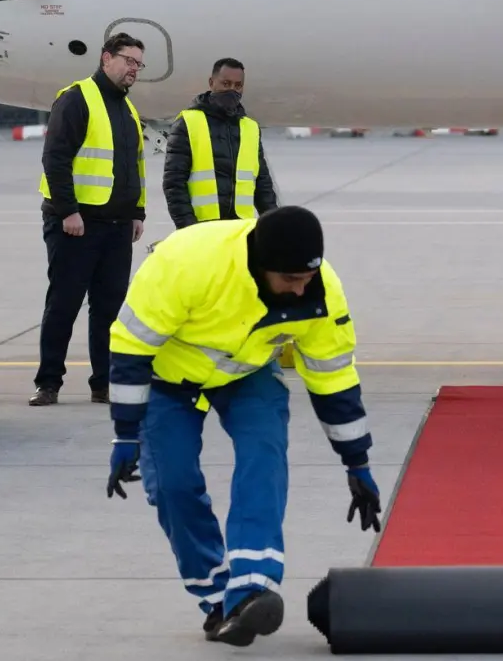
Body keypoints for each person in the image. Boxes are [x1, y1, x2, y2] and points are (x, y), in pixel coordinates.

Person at [103, 205, 383, 647]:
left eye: (306, 278)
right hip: (167, 378)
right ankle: (218, 600)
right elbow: (131, 347)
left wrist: (357, 463)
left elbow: (334, 379)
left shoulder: (319, 287)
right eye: (290, 280)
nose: (301, 288)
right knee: (174, 487)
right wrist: (125, 432)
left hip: (247, 374)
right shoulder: (188, 264)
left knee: (264, 457)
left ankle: (252, 588)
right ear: (261, 266)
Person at [30, 33, 148, 407]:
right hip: (76, 225)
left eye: (138, 64)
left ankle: (104, 384)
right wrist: (68, 211)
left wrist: (136, 213)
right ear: (106, 58)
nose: (133, 69)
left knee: (110, 311)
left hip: (116, 227)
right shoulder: (77, 98)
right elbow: (56, 158)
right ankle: (49, 383)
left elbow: (134, 168)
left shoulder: (128, 109)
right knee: (63, 305)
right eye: (128, 61)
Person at [162, 58, 279, 228]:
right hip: (202, 227)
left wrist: (274, 224)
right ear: (211, 83)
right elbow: (174, 183)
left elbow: (263, 186)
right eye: (226, 83)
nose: (232, 90)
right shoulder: (188, 122)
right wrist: (188, 228)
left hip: (239, 228)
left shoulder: (250, 128)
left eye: (237, 85)